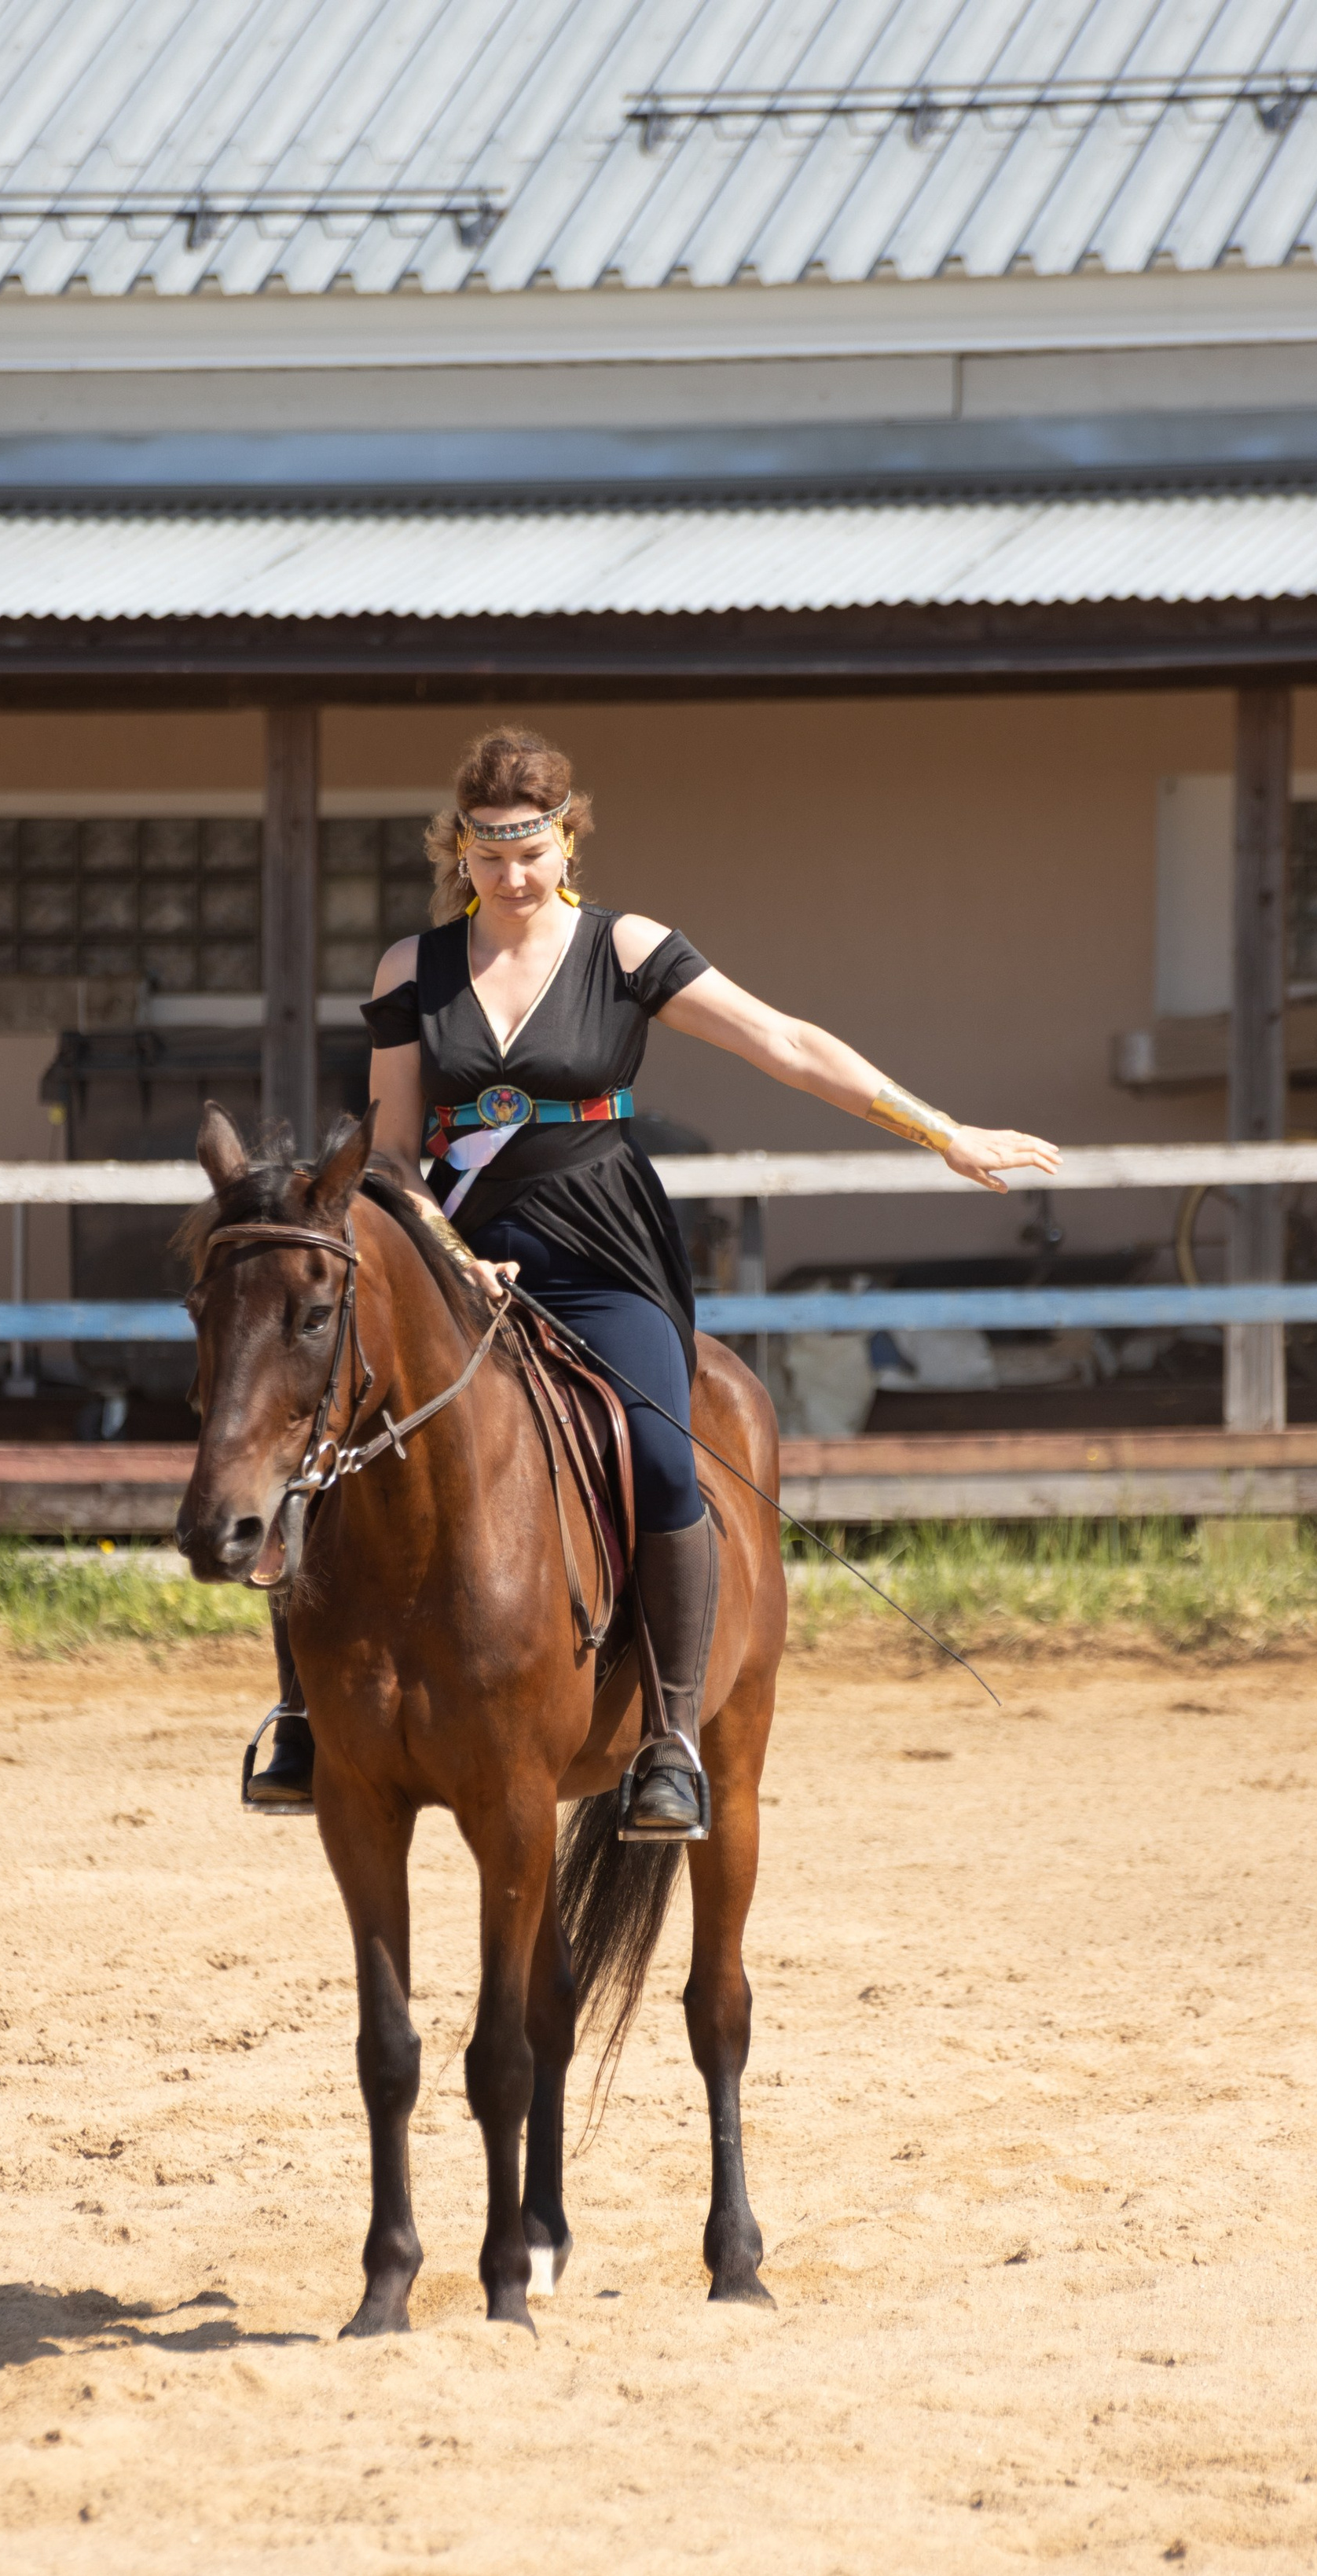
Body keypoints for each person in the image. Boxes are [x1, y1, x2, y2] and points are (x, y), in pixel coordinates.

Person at [244, 728, 1058, 1833]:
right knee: (318, 1443)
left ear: (565, 838)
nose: (511, 876)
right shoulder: (412, 971)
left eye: (529, 850)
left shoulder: (626, 949)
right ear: (459, 851)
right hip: (457, 1258)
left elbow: (786, 1042)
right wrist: (449, 1254)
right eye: (487, 854)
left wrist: (940, 1129)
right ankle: (301, 1715)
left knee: (664, 1458)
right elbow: (391, 1153)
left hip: (603, 1253)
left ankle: (669, 1741)